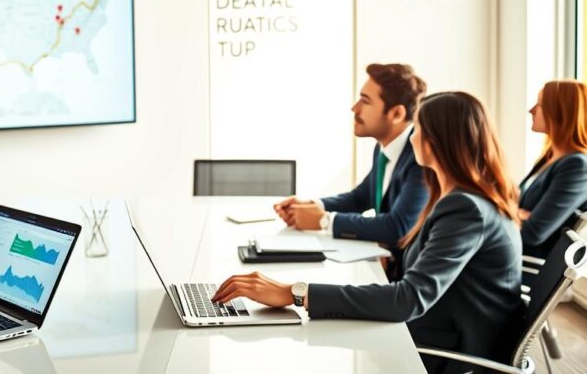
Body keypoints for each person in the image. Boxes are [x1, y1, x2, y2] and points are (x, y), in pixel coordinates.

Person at [213, 92, 523, 374]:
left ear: (436, 141)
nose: (413, 137)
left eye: (419, 129)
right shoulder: (458, 197)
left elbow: (408, 299)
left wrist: (294, 291)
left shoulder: (464, 208)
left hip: (453, 353)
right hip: (438, 331)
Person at [274, 64, 429, 257]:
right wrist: (312, 206)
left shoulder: (421, 156)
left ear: (396, 114)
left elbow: (398, 227)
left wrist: (324, 221)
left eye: (365, 101)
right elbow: (361, 198)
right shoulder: (384, 147)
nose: (354, 108)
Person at [520, 80, 587, 258]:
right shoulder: (548, 157)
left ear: (561, 112)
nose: (531, 110)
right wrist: (521, 213)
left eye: (540, 104)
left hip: (531, 268)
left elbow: (533, 232)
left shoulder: (577, 166)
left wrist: (512, 211)